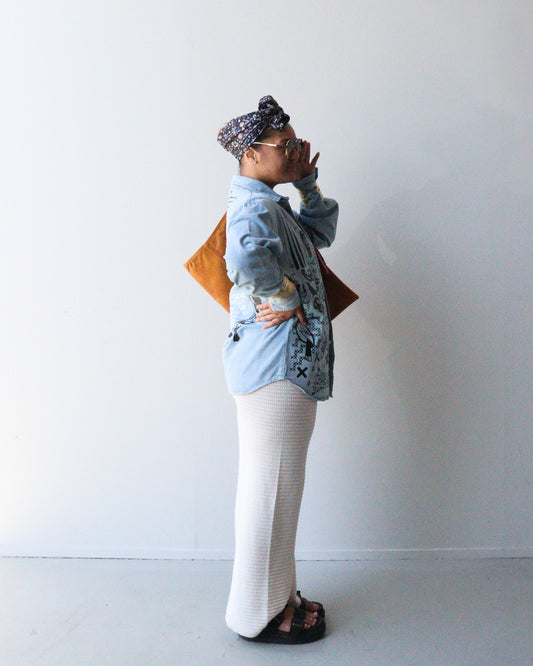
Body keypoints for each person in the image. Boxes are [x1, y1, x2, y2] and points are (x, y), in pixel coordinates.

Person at [217, 95, 338, 644]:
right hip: (276, 368)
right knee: (271, 491)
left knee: (277, 489)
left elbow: (319, 236)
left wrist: (307, 184)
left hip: (284, 364)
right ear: (251, 153)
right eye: (284, 146)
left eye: (295, 144)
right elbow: (243, 260)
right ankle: (257, 615)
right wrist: (285, 294)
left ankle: (278, 597)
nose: (293, 152)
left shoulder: (270, 202)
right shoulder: (252, 207)